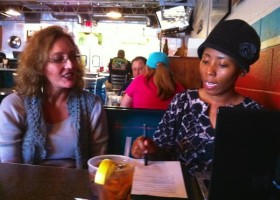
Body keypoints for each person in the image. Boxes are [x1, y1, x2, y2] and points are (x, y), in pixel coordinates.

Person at [130, 19, 263, 176]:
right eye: (205, 61)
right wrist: (149, 150)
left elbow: (257, 173)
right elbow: (163, 153)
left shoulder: (254, 114)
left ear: (241, 71)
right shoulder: (183, 101)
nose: (209, 71)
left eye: (222, 65)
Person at [0, 25, 109, 169]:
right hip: (27, 188)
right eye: (58, 59)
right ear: (39, 66)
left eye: (72, 57)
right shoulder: (14, 105)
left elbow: (98, 164)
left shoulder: (91, 104)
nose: (70, 65)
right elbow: (10, 169)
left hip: (77, 188)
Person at [120, 52, 185, 110]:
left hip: (140, 123)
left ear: (147, 68)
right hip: (167, 123)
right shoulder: (177, 86)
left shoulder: (138, 81)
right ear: (168, 69)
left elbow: (123, 107)